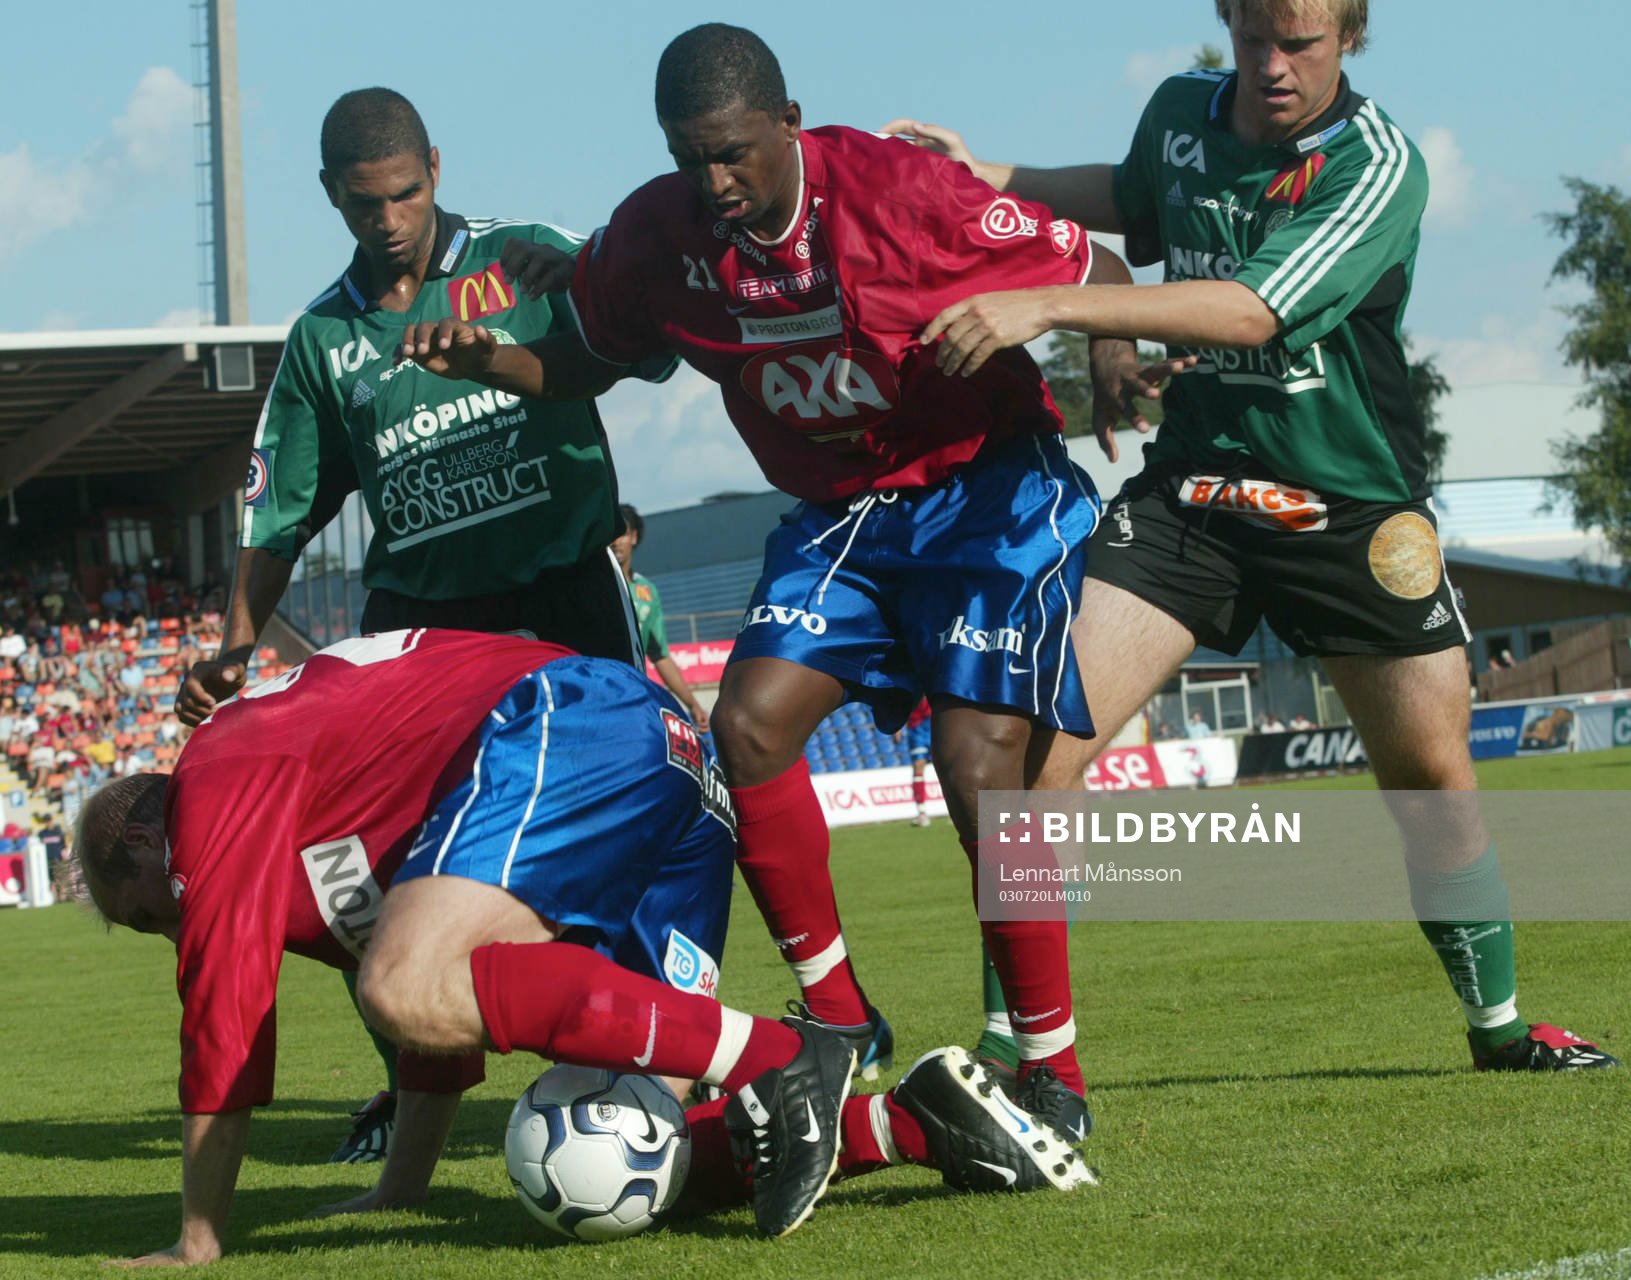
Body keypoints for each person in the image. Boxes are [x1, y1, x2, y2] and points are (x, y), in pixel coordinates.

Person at [400, 23, 1181, 1141]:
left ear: (787, 123)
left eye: (730, 154)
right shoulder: (656, 233)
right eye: (686, 157)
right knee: (749, 725)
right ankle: (839, 1016)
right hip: (842, 517)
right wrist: (492, 361)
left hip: (982, 497)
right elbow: (588, 359)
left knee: (976, 762)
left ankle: (1052, 1069)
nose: (711, 182)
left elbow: (1091, 266)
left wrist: (1107, 355)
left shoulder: (906, 193)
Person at [885, 0, 1618, 1073]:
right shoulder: (1181, 113)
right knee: (1033, 758)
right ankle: (1012, 1051)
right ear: (1225, 23)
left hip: (1348, 509)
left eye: (1301, 45)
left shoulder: (1373, 163)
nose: (1271, 67)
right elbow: (1132, 197)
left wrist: (1044, 305)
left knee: (1427, 777)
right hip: (1193, 496)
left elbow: (1248, 310)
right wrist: (993, 171)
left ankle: (1498, 1027)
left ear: (1349, 36)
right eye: (1252, 42)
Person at [80, 629, 1090, 1264]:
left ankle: (791, 1054)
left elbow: (225, 1017)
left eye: (147, 913)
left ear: (140, 838)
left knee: (407, 977)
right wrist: (403, 1188)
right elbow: (432, 1011)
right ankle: (917, 1123)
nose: (170, 927)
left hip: (569, 722)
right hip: (653, 760)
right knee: (626, 1130)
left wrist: (199, 1236)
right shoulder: (307, 815)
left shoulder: (219, 775)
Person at [175, 88, 672, 1162]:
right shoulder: (324, 339)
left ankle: (640, 1052)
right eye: (364, 205)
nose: (388, 219)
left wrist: (603, 284)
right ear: (331, 197)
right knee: (392, 865)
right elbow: (279, 511)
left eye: (404, 194)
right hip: (425, 628)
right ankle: (412, 1090)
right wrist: (235, 638)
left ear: (435, 168)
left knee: (624, 819)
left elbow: (649, 337)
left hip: (561, 594)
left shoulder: (523, 258)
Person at [612, 504, 710, 730]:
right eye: (611, 535)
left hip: (634, 694)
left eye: (622, 534)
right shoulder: (593, 588)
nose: (616, 541)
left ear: (634, 537)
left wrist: (692, 704)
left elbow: (660, 655)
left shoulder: (647, 591)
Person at [892, 697, 934, 827]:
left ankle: (955, 811)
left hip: (934, 723)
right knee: (918, 766)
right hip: (916, 728)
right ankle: (922, 813)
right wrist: (897, 727)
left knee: (946, 767)